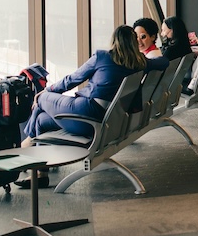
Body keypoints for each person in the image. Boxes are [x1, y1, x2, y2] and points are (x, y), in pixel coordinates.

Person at [18, 25, 168, 188]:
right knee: (41, 119)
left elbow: (71, 80)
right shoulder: (140, 63)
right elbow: (164, 61)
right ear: (133, 43)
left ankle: (27, 143)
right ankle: (41, 173)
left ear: (114, 41)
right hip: (106, 123)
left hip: (85, 115)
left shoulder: (102, 57)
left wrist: (48, 90)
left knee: (42, 98)